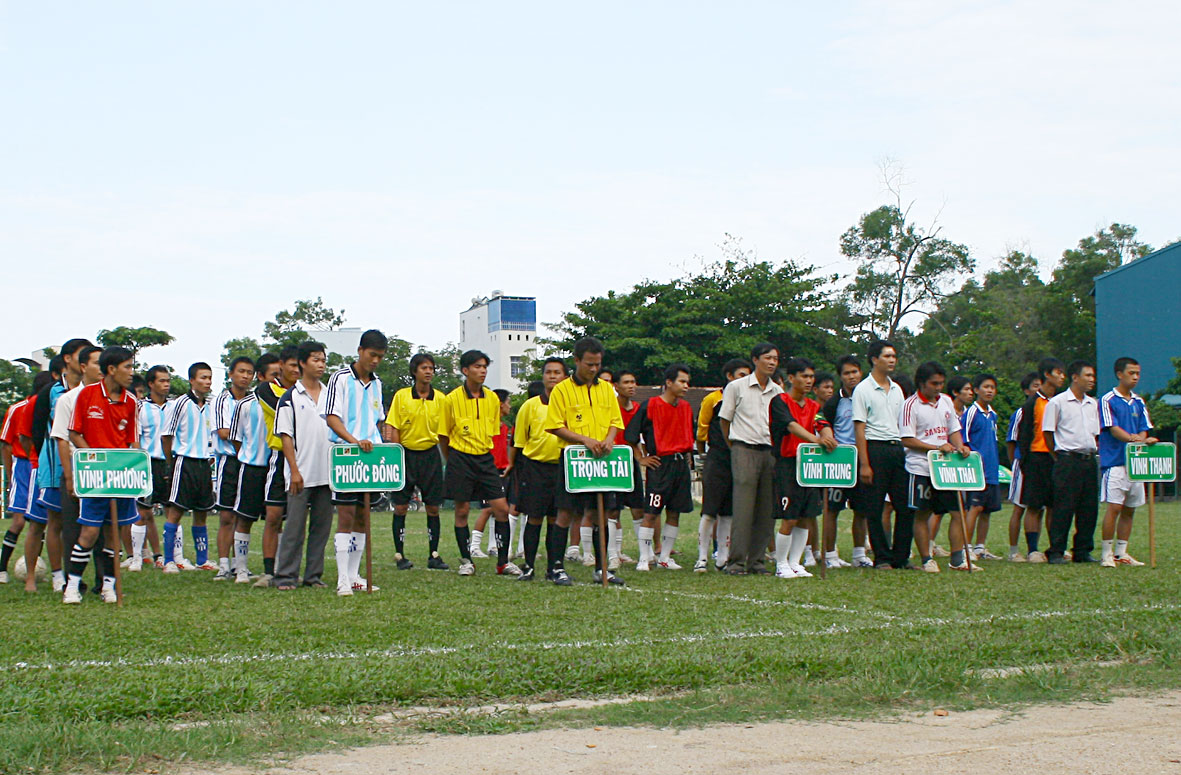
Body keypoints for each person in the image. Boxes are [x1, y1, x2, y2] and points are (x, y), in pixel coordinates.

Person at [544, 336, 626, 585]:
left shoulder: (607, 390)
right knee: (565, 512)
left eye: (597, 364)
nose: (593, 369)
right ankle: (556, 567)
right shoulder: (562, 390)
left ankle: (602, 569)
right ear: (577, 361)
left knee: (601, 512)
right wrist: (585, 441)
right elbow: (555, 426)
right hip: (574, 460)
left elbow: (615, 421)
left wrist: (610, 440)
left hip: (602, 461)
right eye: (589, 364)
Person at [62, 346, 140, 604]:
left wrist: (132, 465)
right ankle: (71, 586)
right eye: (127, 367)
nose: (131, 373)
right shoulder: (87, 395)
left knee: (113, 533)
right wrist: (96, 459)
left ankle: (109, 586)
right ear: (111, 369)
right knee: (89, 532)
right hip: (96, 476)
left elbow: (133, 442)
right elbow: (74, 433)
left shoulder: (131, 401)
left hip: (121, 476)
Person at [439, 349, 519, 578]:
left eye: (484, 366)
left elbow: (494, 433)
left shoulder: (493, 399)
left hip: (485, 459)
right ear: (465, 370)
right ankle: (467, 560)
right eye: (477, 366)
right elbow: (443, 436)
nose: (482, 371)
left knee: (502, 509)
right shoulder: (451, 399)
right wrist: (452, 459)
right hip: (459, 458)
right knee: (462, 510)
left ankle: (503, 562)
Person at [323, 330, 388, 595]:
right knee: (346, 515)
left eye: (380, 357)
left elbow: (378, 419)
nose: (375, 361)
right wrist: (353, 441)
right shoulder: (339, 378)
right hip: (347, 455)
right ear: (360, 350)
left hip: (370, 457)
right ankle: (342, 579)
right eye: (372, 355)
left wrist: (382, 443)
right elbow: (331, 417)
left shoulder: (377, 383)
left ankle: (354, 575)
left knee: (363, 515)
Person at [273, 342, 334, 591]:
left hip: (327, 473)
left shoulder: (331, 393)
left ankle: (313, 576)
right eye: (315, 360)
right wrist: (294, 470)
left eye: (323, 360)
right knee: (294, 528)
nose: (320, 364)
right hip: (301, 472)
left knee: (321, 528)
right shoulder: (289, 397)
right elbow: (286, 436)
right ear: (302, 363)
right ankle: (286, 576)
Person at [718, 342, 783, 575]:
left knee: (766, 511)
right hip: (743, 449)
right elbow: (724, 420)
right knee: (743, 509)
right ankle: (736, 562)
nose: (772, 362)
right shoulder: (736, 387)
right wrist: (734, 446)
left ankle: (757, 562)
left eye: (775, 358)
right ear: (755, 360)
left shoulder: (778, 392)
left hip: (770, 452)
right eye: (768, 357)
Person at [900, 362, 971, 572]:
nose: (938, 388)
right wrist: (935, 447)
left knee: (957, 512)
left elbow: (954, 430)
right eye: (934, 383)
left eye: (941, 383)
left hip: (947, 469)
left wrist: (960, 447)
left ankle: (958, 559)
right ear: (922, 383)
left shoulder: (947, 401)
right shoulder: (910, 405)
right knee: (922, 513)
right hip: (920, 467)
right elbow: (907, 439)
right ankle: (926, 559)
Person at [769, 357, 836, 579]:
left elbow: (822, 423)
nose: (809, 381)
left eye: (811, 377)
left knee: (807, 516)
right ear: (791, 378)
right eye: (804, 376)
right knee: (789, 516)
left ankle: (795, 562)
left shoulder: (814, 406)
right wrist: (814, 440)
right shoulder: (779, 401)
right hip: (787, 463)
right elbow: (790, 425)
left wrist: (827, 437)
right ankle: (781, 564)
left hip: (809, 465)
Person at [381, 352, 449, 571]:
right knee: (400, 507)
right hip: (406, 455)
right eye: (424, 368)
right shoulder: (402, 396)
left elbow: (445, 431)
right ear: (414, 372)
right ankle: (400, 554)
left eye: (431, 368)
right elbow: (394, 427)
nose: (428, 372)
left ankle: (434, 554)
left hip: (430, 455)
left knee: (433, 508)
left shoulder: (440, 398)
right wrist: (397, 456)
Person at [626, 364, 696, 571]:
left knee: (675, 512)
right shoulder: (650, 405)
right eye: (682, 381)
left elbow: (688, 435)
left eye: (687, 382)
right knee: (651, 513)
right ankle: (644, 557)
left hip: (680, 464)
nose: (686, 386)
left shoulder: (686, 407)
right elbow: (631, 436)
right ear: (668, 382)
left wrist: (688, 457)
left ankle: (665, 557)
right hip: (660, 464)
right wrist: (641, 458)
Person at [852, 340, 912, 569]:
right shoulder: (863, 389)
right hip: (874, 448)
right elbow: (860, 428)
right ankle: (882, 556)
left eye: (894, 356)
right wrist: (864, 463)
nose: (892, 360)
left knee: (904, 507)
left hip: (897, 448)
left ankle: (901, 556)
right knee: (874, 508)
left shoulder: (897, 389)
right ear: (874, 359)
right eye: (887, 356)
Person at [511, 357, 570, 583]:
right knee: (534, 518)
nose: (553, 376)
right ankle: (528, 565)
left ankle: (555, 566)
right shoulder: (530, 405)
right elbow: (520, 441)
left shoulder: (569, 405)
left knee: (557, 519)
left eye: (557, 372)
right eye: (548, 372)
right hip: (535, 468)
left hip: (562, 467)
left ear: (565, 377)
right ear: (543, 376)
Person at [1098, 357, 1156, 567]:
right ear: (1119, 374)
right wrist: (1134, 439)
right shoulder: (1107, 400)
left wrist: (1142, 438)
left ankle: (1122, 552)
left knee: (1130, 508)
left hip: (1136, 463)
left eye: (1138, 374)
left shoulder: (1139, 401)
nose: (1135, 377)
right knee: (1114, 508)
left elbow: (1144, 426)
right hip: (1115, 462)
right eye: (1131, 373)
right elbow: (1112, 428)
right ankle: (1106, 553)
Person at [1041, 360, 1101, 564]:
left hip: (1089, 459)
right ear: (1075, 377)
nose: (1092, 380)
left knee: (1089, 507)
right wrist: (1058, 456)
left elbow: (1095, 434)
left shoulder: (1093, 404)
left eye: (1093, 376)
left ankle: (1083, 550)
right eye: (1088, 375)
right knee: (1063, 507)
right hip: (1067, 459)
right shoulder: (1057, 402)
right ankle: (1056, 550)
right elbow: (1048, 433)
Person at [696, 358, 751, 572]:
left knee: (728, 513)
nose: (745, 380)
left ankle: (723, 557)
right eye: (741, 375)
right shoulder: (713, 399)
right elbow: (702, 428)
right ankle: (702, 558)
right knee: (709, 510)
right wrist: (702, 455)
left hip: (737, 459)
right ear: (729, 376)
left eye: (748, 375)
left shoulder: (748, 400)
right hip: (716, 458)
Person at [161, 363, 216, 573]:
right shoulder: (180, 404)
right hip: (184, 461)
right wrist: (170, 462)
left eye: (210, 378)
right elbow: (167, 435)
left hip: (204, 463)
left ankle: (202, 559)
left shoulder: (211, 405)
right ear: (192, 380)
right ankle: (169, 560)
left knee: (202, 511)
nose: (207, 382)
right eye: (203, 377)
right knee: (176, 510)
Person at [821, 355, 873, 569]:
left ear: (861, 372)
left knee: (861, 511)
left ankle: (859, 554)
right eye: (846, 373)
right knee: (832, 509)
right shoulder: (835, 401)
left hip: (864, 459)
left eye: (854, 372)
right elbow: (821, 420)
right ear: (840, 377)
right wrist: (827, 434)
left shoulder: (871, 396)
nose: (851, 377)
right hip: (840, 461)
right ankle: (830, 555)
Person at [227, 358, 275, 583]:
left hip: (275, 467)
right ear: (262, 377)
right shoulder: (245, 405)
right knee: (244, 518)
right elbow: (236, 439)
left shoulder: (285, 401)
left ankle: (276, 568)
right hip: (251, 468)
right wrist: (249, 455)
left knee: (275, 520)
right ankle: (241, 568)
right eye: (273, 375)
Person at [8, 372, 58, 587]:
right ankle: (22, 575)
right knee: (31, 522)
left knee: (58, 523)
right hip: (34, 466)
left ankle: (60, 575)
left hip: (57, 467)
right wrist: (35, 457)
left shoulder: (72, 397)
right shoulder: (28, 405)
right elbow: (20, 438)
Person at [1016, 357, 1067, 562]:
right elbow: (1024, 434)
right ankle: (1033, 550)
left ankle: (1055, 547)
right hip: (1037, 457)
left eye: (1063, 373)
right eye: (1058, 372)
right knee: (1034, 505)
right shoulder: (1033, 403)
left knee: (1056, 505)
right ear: (1047, 375)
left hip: (1058, 457)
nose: (1062, 377)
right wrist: (1025, 461)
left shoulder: (1062, 400)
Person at [252, 350, 295, 587]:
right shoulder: (267, 389)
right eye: (291, 365)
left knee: (296, 518)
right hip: (279, 456)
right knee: (273, 515)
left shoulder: (309, 390)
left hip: (303, 455)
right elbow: (286, 413)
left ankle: (288, 568)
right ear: (282, 365)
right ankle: (270, 570)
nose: (296, 370)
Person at [213, 357, 255, 580]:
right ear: (230, 374)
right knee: (227, 515)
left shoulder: (253, 400)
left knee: (243, 516)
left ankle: (241, 565)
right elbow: (224, 432)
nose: (245, 376)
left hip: (248, 461)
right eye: (241, 371)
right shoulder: (222, 400)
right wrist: (248, 438)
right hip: (229, 461)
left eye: (249, 372)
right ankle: (223, 565)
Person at [961, 374, 1004, 562]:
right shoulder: (971, 412)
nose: (989, 391)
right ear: (976, 390)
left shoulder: (993, 415)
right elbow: (964, 438)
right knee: (975, 507)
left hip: (992, 470)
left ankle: (980, 547)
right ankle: (966, 547)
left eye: (993, 387)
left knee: (987, 510)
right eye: (986, 387)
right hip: (977, 470)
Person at [606, 370, 644, 570]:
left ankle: (645, 555)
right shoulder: (610, 408)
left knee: (638, 509)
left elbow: (639, 438)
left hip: (632, 463)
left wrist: (642, 457)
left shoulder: (639, 409)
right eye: (627, 382)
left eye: (633, 381)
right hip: (613, 463)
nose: (631, 386)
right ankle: (614, 554)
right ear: (616, 386)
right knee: (613, 510)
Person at [470, 389, 512, 558]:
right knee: (487, 509)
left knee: (499, 510)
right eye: (508, 402)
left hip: (501, 471)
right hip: (488, 471)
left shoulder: (504, 427)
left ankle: (493, 545)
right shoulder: (487, 424)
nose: (509, 406)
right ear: (500, 404)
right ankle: (474, 546)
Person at [1004, 372, 1041, 562]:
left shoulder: (1049, 408)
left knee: (1039, 507)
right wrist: (1015, 465)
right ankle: (1013, 550)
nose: (1039, 389)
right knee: (1019, 508)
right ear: (1027, 390)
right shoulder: (1021, 412)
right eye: (1035, 386)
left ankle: (1034, 549)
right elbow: (1011, 441)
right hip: (1022, 463)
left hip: (1040, 464)